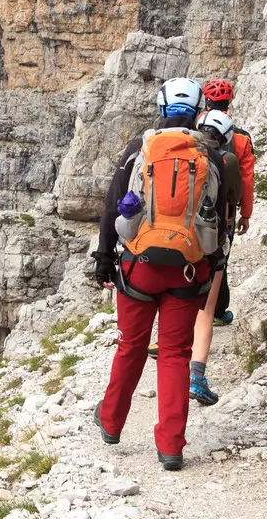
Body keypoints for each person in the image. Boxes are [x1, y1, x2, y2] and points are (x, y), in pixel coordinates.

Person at [92, 80, 238, 471]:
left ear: (161, 107)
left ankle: (110, 422)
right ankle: (171, 446)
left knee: (130, 346)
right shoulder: (216, 159)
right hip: (188, 272)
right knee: (175, 354)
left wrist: (105, 259)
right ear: (198, 110)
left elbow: (112, 209)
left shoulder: (139, 151)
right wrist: (212, 269)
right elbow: (221, 221)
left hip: (140, 269)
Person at [188, 79, 255, 407]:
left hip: (186, 223)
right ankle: (197, 370)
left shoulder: (192, 130)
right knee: (216, 272)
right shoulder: (239, 138)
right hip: (221, 223)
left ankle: (172, 334)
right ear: (231, 101)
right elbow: (245, 178)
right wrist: (246, 213)